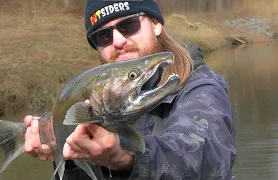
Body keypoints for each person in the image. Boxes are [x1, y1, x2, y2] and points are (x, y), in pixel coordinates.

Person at [24, 0, 236, 179]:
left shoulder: (202, 89)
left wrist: (125, 158)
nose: (118, 41)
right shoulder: (97, 102)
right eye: (103, 36)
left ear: (155, 24)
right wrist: (70, 155)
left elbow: (204, 158)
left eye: (129, 25)